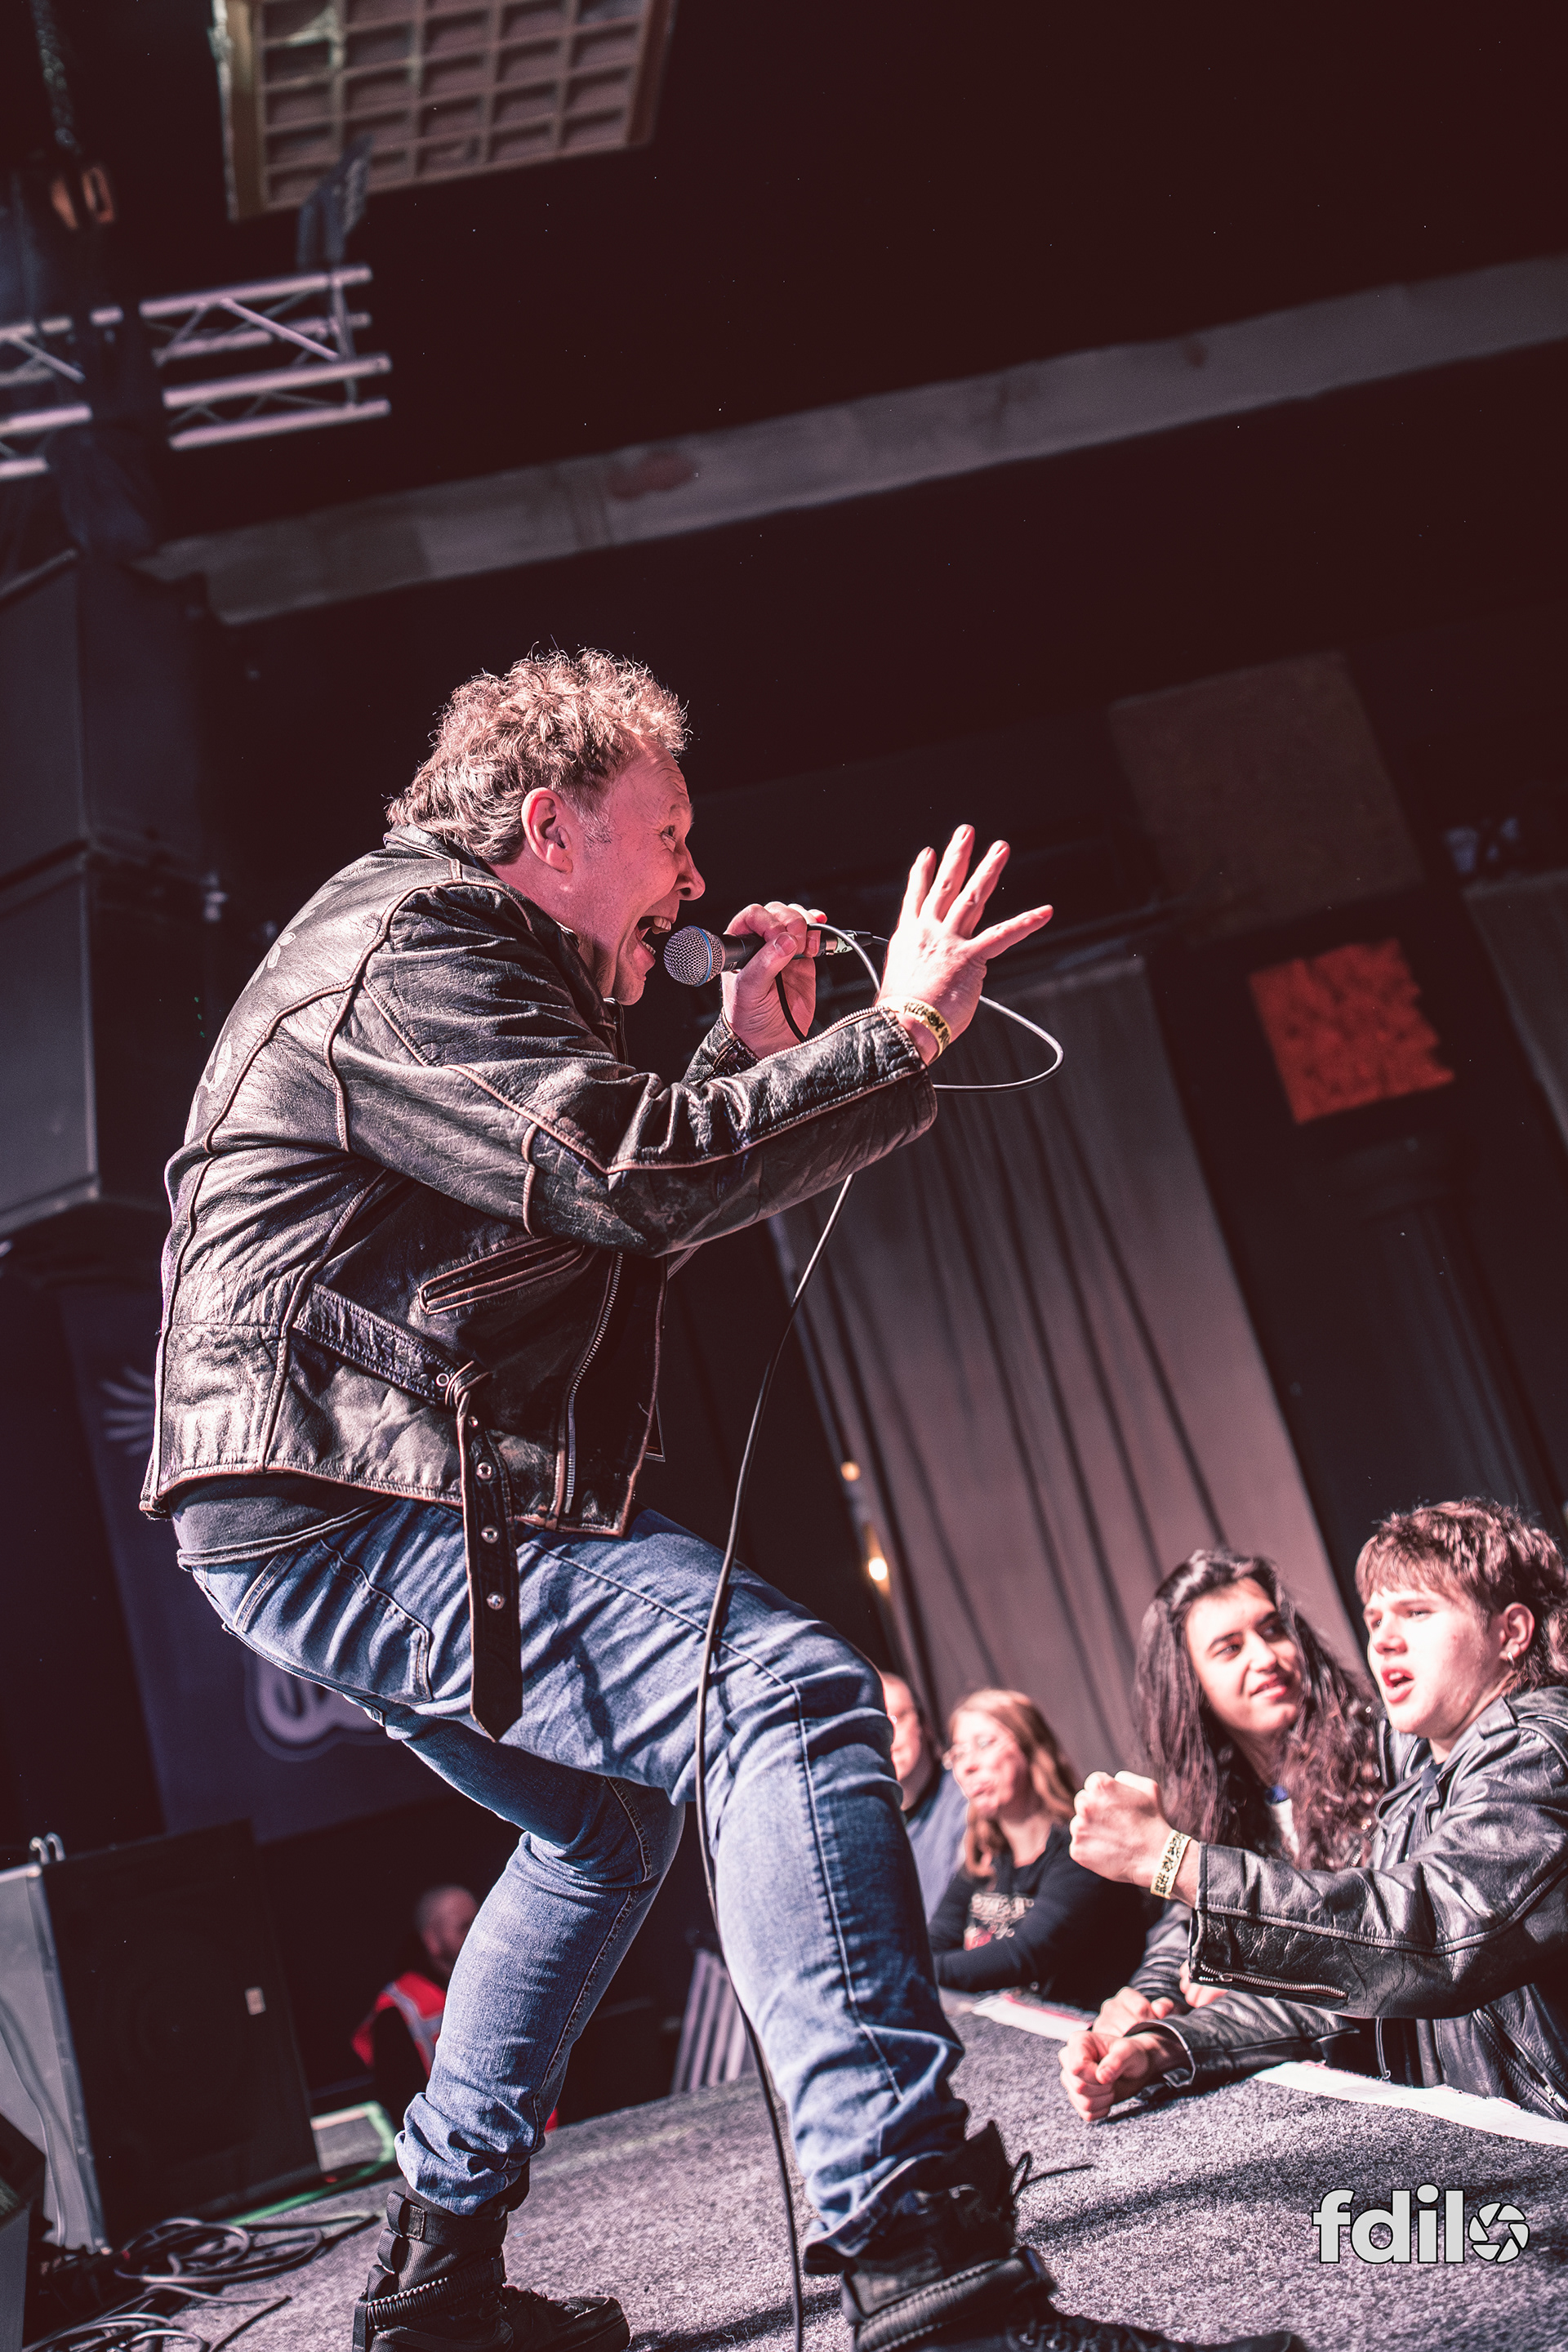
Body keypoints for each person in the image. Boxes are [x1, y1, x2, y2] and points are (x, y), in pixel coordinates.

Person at [145, 650, 1293, 2352]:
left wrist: (739, 1049)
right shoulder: (418, 943)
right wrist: (898, 1034)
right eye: (668, 835)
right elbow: (630, 1177)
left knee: (605, 1831)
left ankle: (435, 2281)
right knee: (787, 1693)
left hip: (311, 1492)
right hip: (339, 1484)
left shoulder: (457, 958)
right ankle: (920, 2261)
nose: (691, 881)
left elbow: (597, 1188)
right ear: (552, 829)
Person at [1063, 1499, 1568, 2132]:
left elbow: (1424, 1934)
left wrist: (1173, 1862)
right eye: (1374, 1618)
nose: (1382, 1639)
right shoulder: (1429, 1771)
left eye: (1416, 1612)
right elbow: (1352, 1982)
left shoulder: (1524, 1748)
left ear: (1511, 1632)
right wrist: (1165, 2038)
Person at [1089, 1552, 1381, 2044]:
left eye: (1273, 1630)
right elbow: (1183, 1928)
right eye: (1230, 1648)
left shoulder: (1383, 1755)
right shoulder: (1212, 1804)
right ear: (1192, 1686)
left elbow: (1379, 1944)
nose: (1265, 1657)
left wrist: (1257, 1969)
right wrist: (1147, 2002)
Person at [927, 1690, 1145, 2007]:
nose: (968, 1765)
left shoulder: (1082, 1847)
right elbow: (933, 1943)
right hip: (1001, 2024)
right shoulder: (984, 1859)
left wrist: (918, 1967)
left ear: (1030, 1747)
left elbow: (1027, 1954)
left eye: (984, 1744)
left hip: (1079, 2026)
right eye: (958, 1753)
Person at [354, 1886, 479, 2123]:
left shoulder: (496, 1981)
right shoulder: (397, 2010)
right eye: (464, 1927)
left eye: (479, 1922)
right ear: (432, 1941)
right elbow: (403, 2105)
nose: (476, 1933)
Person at [879, 1671, 968, 1916]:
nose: (887, 1736)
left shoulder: (966, 1793)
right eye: (874, 1727)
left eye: (895, 1718)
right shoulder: (874, 1831)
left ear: (924, 1723)